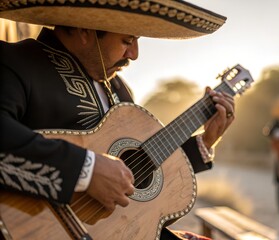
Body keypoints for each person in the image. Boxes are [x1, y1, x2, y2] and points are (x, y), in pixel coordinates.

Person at [0, 1, 235, 239]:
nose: (134, 54)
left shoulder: (120, 90)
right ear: (85, 30)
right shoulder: (15, 61)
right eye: (127, 40)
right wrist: (86, 170)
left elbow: (138, 171)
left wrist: (205, 142)